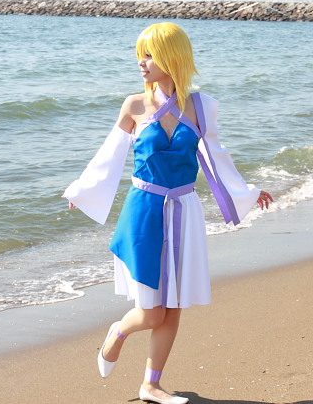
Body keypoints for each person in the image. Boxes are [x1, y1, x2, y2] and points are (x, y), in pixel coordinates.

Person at [63, 22, 273, 404]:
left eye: (149, 55)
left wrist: (247, 192)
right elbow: (110, 155)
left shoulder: (201, 106)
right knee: (151, 314)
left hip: (185, 210)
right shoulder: (135, 106)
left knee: (173, 309)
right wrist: (84, 190)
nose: (141, 62)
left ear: (172, 57)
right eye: (139, 55)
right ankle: (117, 334)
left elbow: (217, 156)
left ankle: (151, 385)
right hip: (144, 211)